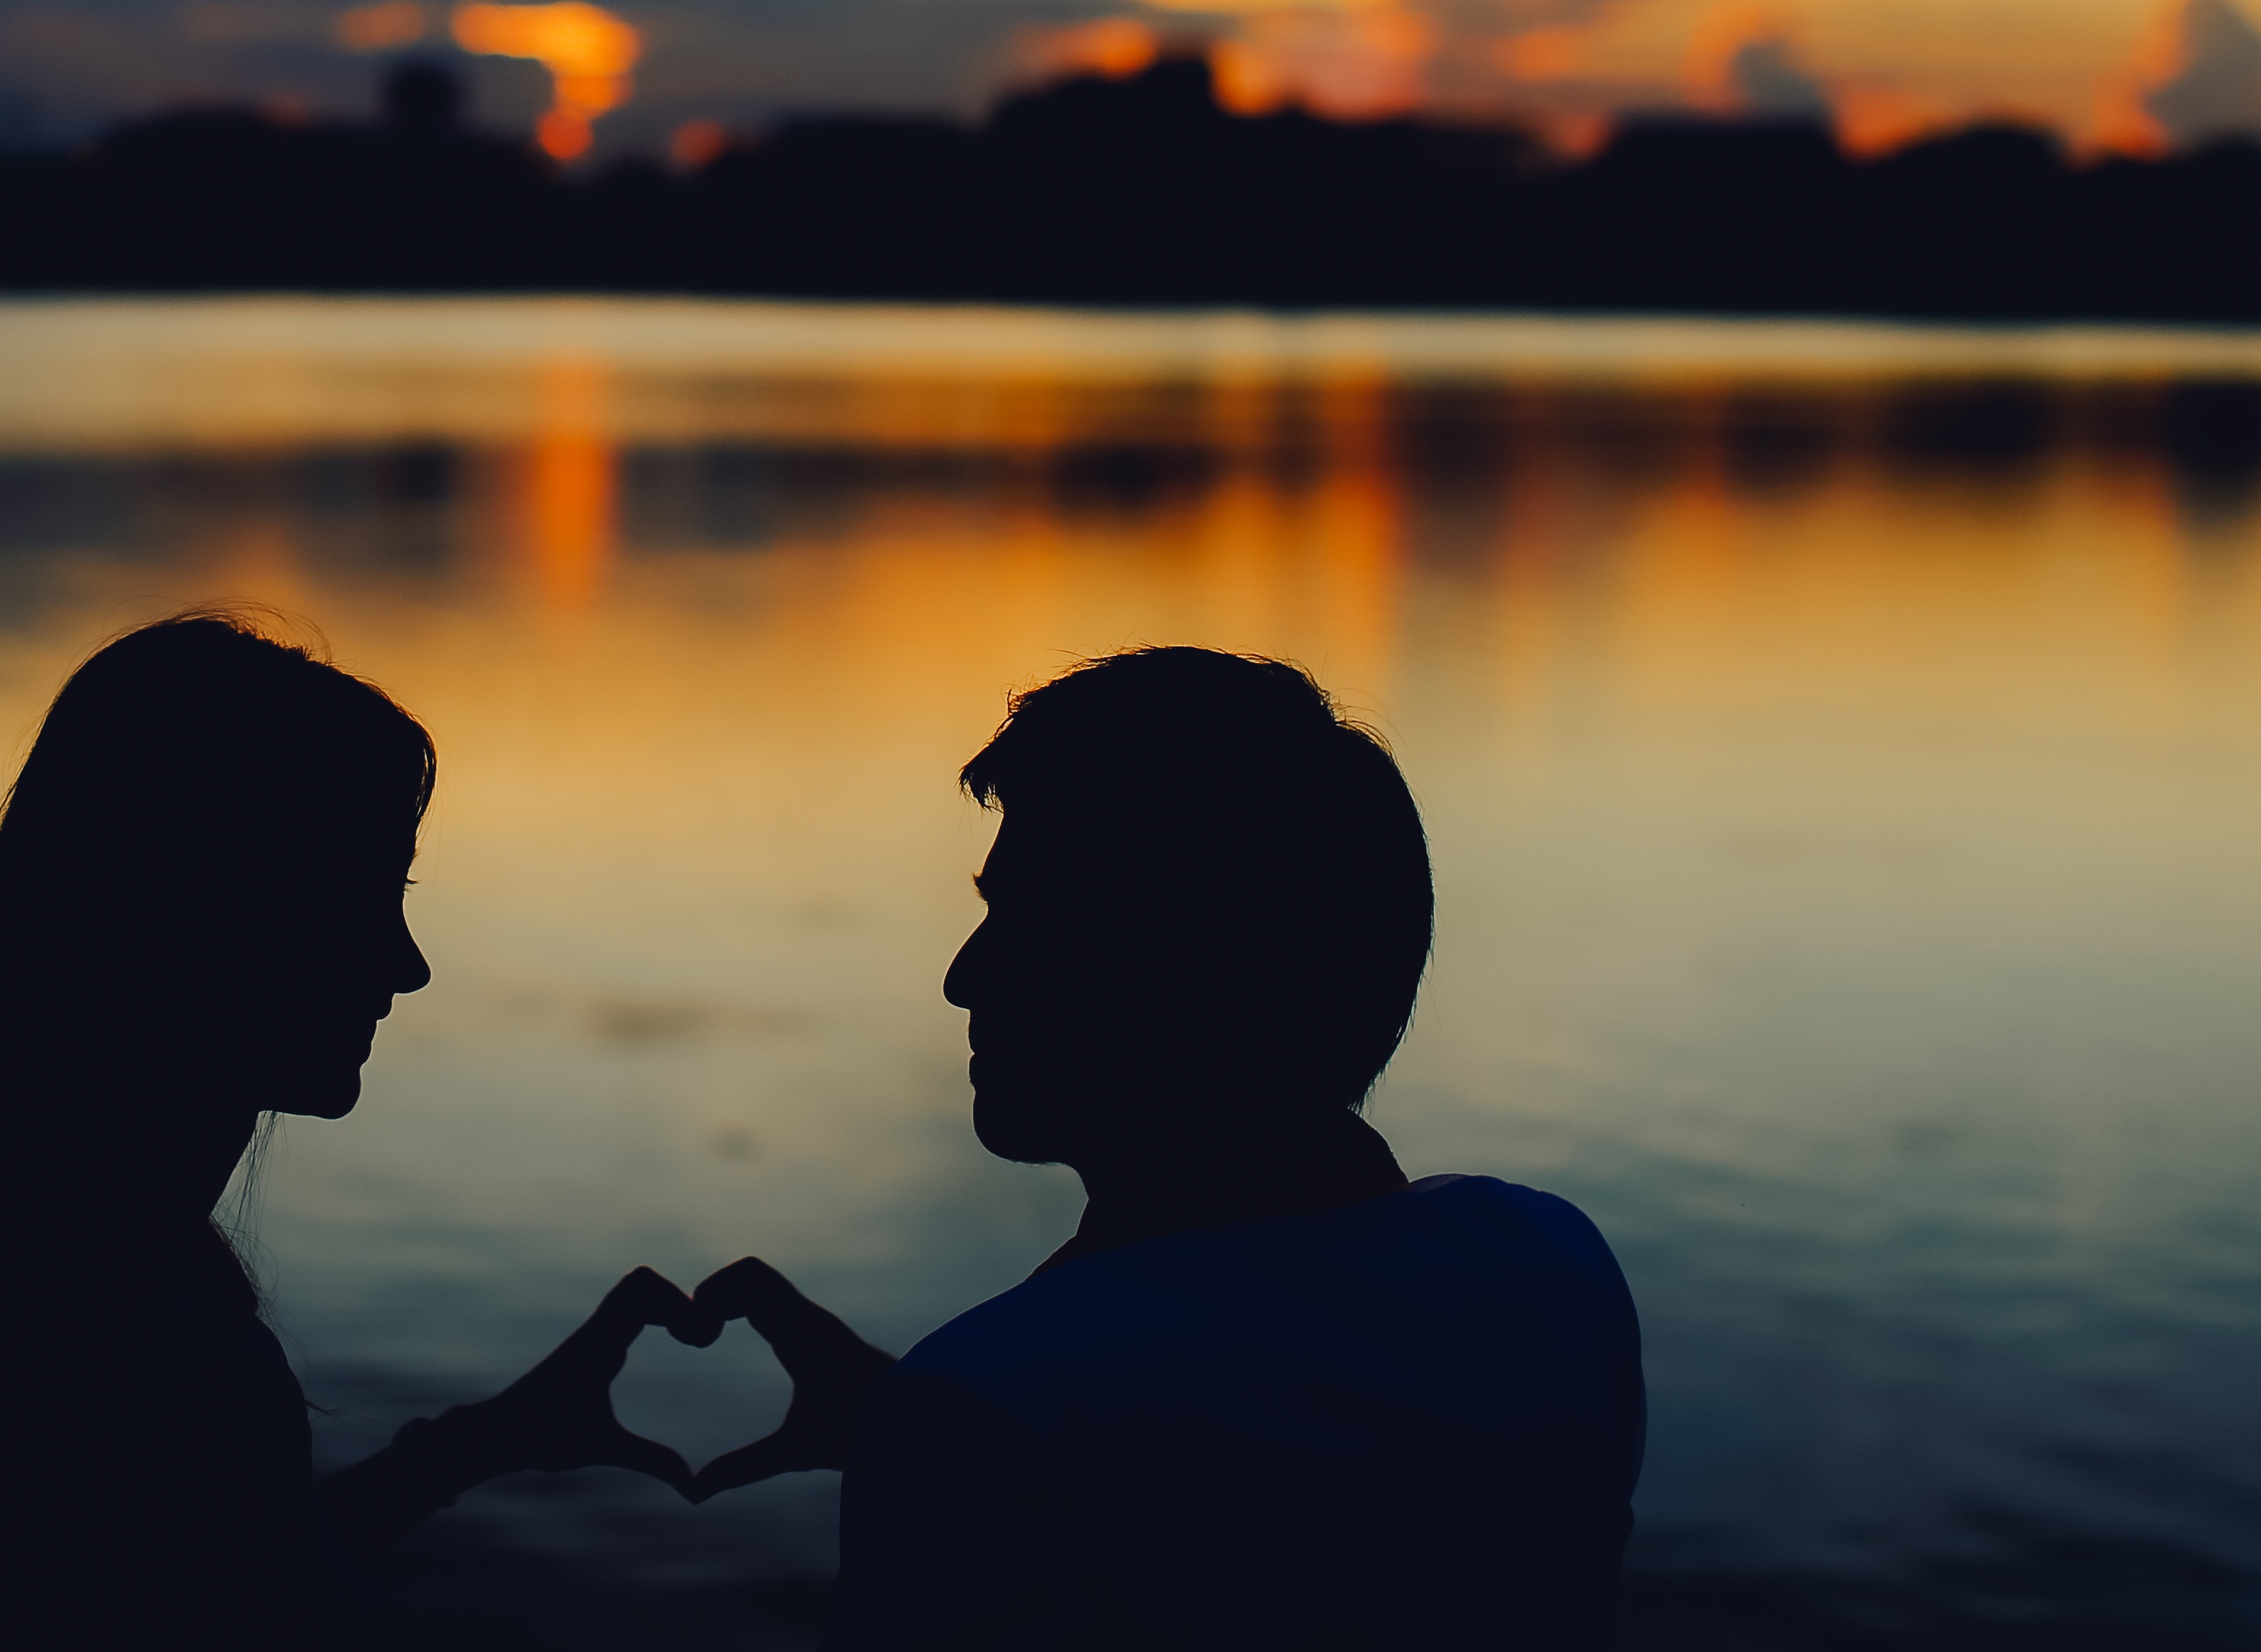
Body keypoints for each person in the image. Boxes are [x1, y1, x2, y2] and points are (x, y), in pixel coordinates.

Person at [686, 646, 1646, 1647]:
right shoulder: (1551, 1270)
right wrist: (923, 1417)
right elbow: (1282, 1468)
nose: (963, 980)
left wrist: (942, 1431)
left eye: (1027, 922)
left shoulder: (987, 1412)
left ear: (1178, 970)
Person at [0, 612, 698, 1643]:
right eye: (364, 898)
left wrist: (477, 1444)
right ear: (212, 917)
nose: (408, 966)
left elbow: (233, 1574)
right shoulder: (141, 1345)